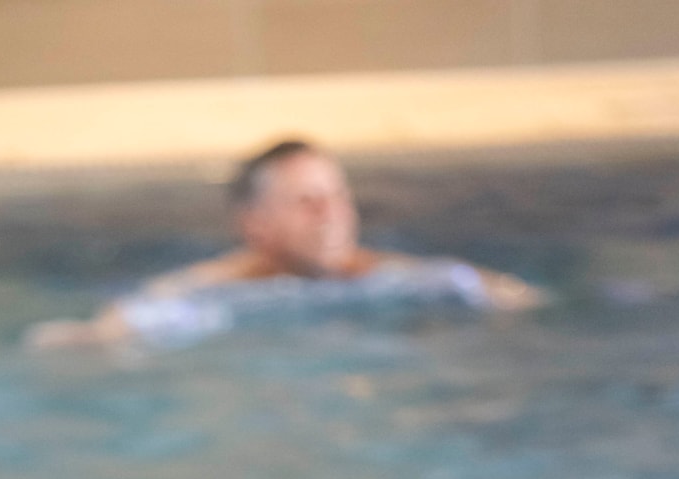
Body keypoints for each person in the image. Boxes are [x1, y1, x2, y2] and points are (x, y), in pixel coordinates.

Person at [26, 139, 544, 350]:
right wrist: (91, 335)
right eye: (307, 203)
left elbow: (497, 292)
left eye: (337, 197)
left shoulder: (393, 275)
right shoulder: (221, 286)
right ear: (256, 225)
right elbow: (138, 313)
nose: (332, 216)